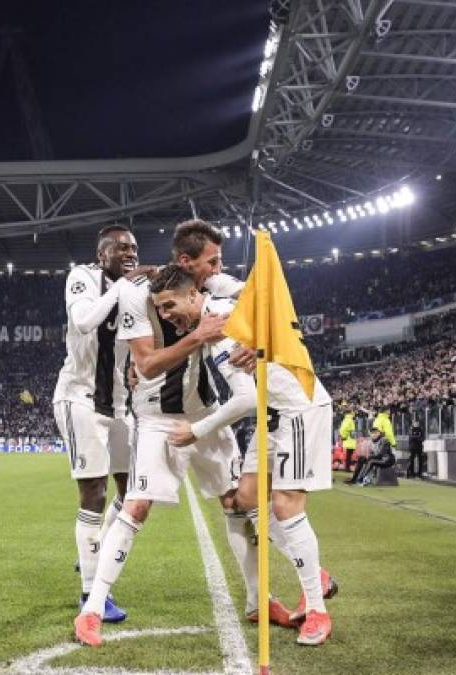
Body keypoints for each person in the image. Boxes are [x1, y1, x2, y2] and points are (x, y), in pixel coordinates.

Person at [74, 220, 275, 647]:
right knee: (137, 504)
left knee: (234, 502)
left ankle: (260, 600)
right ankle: (92, 609)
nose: (217, 270)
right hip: (156, 418)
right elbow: (145, 365)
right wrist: (198, 335)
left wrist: (255, 341)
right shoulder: (134, 293)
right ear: (186, 262)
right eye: (211, 262)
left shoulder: (212, 286)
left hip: (205, 411)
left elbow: (268, 296)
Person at [148, 265, 337, 646]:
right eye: (160, 310)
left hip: (296, 408)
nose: (167, 316)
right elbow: (259, 291)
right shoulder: (222, 301)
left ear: (191, 296)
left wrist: (197, 431)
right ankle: (316, 574)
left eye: (170, 306)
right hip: (272, 415)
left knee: (285, 506)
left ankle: (316, 609)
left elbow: (246, 399)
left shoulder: (217, 326)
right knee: (247, 498)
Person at [53, 224, 145, 623]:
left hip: (120, 406)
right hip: (80, 399)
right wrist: (121, 287)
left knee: (134, 492)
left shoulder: (137, 289)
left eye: (134, 248)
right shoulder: (82, 277)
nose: (130, 253)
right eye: (121, 248)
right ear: (102, 251)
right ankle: (91, 592)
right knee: (94, 491)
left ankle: (94, 551)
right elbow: (86, 322)